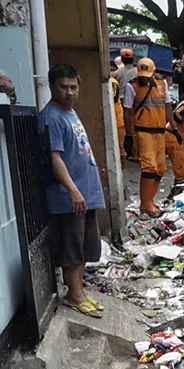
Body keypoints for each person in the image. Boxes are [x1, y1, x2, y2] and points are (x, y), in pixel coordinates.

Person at [39, 64, 107, 319]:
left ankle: (79, 290)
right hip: (68, 197)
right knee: (71, 247)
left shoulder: (70, 113)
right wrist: (73, 190)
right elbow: (55, 158)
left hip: (85, 194)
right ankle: (74, 295)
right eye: (64, 87)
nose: (69, 93)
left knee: (84, 247)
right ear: (52, 87)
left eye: (73, 87)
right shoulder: (51, 117)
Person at [124, 57, 168, 216]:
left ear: (153, 72)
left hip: (160, 131)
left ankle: (150, 199)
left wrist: (174, 129)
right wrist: (129, 135)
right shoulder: (132, 86)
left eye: (147, 75)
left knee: (161, 168)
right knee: (149, 166)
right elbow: (127, 111)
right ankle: (146, 204)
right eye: (142, 75)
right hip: (143, 131)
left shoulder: (162, 84)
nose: (144, 78)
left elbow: (167, 106)